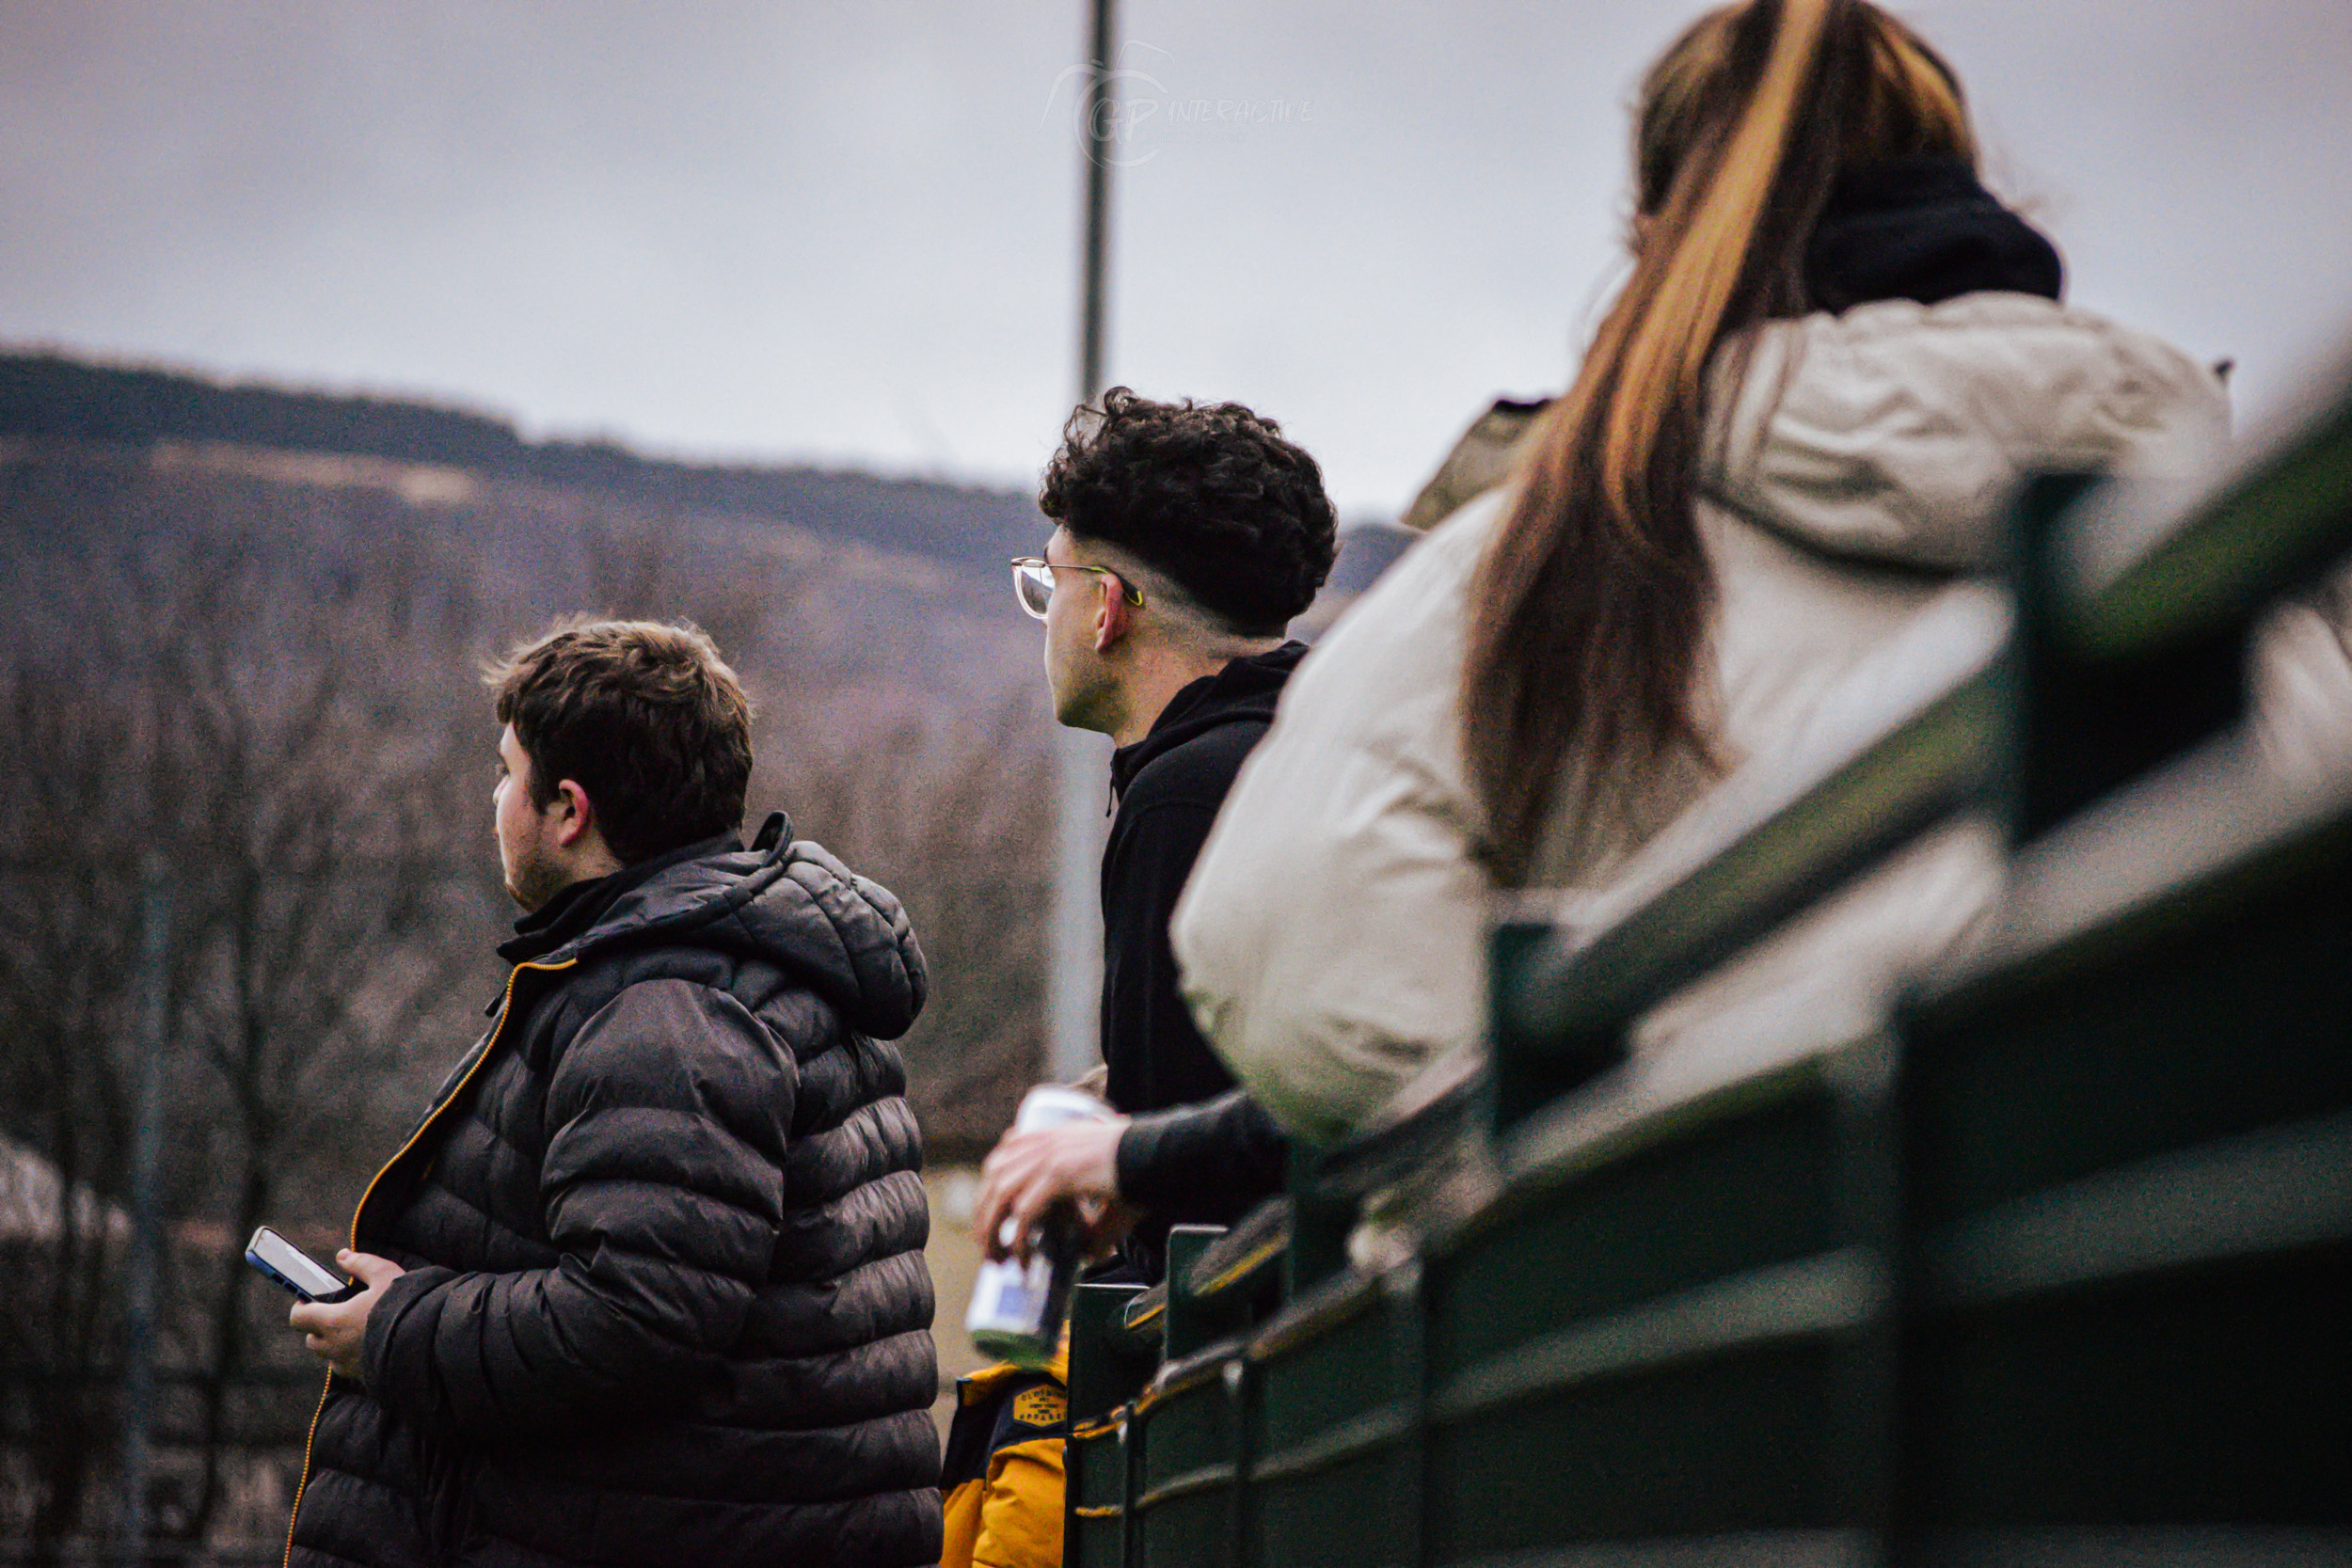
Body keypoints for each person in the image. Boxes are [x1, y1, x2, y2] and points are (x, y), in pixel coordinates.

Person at [1171, 0, 2233, 1145]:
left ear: (1650, 232)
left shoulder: (1543, 562)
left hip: (1732, 1286)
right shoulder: (2240, 521)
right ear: (1968, 198)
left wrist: (1607, 1155)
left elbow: (1275, 945)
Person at [281, 620, 941, 1568]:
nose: (494, 797)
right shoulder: (721, 969)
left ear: (569, 810)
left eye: (508, 772)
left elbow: (639, 1311)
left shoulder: (667, 1008)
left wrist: (394, 1329)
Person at [973, 388, 1339, 1288]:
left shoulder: (1181, 796)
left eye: (1045, 585)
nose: (1045, 617)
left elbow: (1184, 1181)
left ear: (1104, 610)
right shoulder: (1309, 741)